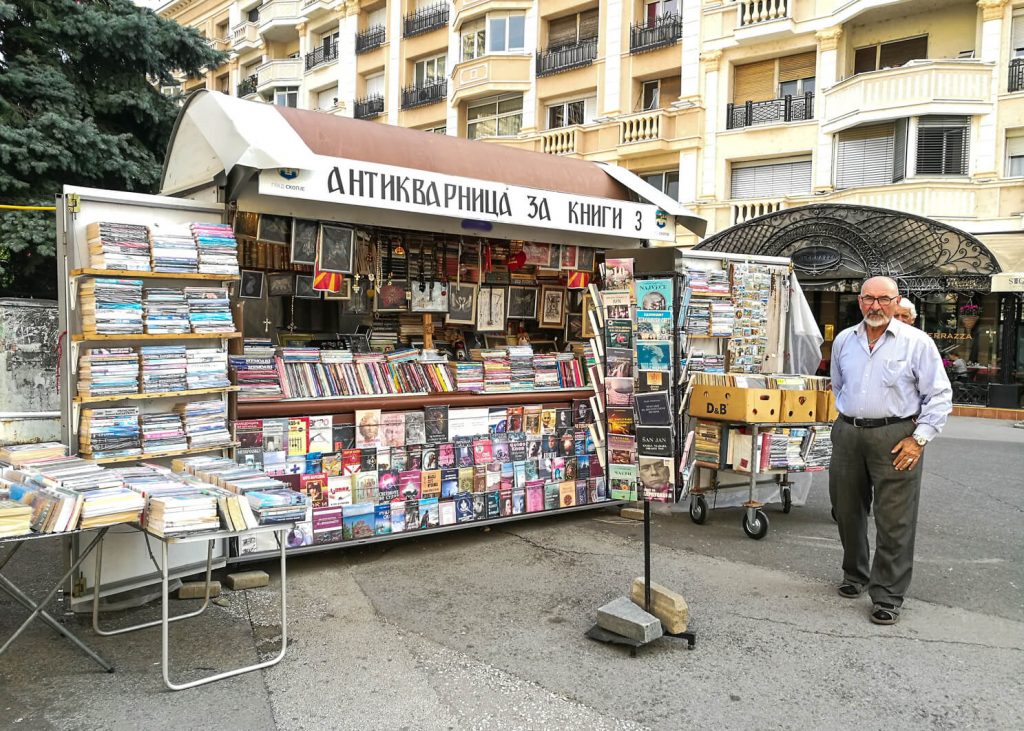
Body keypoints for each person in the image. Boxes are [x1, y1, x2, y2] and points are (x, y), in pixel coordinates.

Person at [829, 276, 952, 626]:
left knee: (895, 519)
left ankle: (887, 594)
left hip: (897, 436)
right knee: (846, 509)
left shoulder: (917, 342)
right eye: (869, 298)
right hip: (848, 432)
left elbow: (939, 395)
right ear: (859, 301)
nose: (876, 305)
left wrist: (919, 438)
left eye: (884, 299)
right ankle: (855, 574)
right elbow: (839, 385)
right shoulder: (844, 340)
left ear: (897, 302)